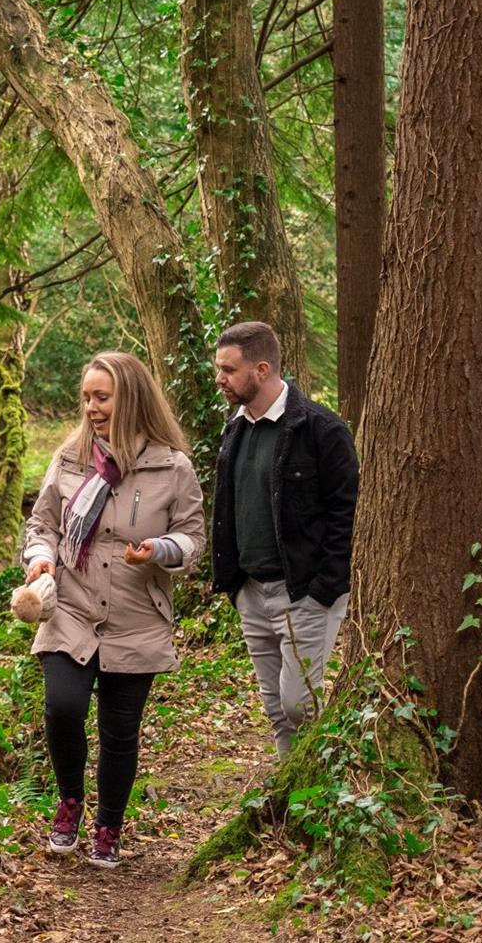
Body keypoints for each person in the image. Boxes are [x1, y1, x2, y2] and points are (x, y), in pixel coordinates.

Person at [18, 351, 206, 867]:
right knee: (63, 709)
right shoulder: (69, 458)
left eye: (103, 397)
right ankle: (69, 801)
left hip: (136, 617)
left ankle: (109, 826)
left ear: (131, 398)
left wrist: (160, 549)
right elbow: (43, 526)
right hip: (71, 608)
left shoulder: (172, 466)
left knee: (120, 733)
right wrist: (40, 560)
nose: (92, 408)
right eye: (87, 398)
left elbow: (193, 539)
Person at [209, 321, 359, 758]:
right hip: (251, 591)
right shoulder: (235, 427)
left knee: (299, 704)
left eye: (228, 370)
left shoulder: (320, 430)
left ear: (261, 369)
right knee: (276, 708)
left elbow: (347, 514)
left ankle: (324, 794)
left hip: (303, 593)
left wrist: (323, 590)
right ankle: (289, 798)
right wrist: (236, 586)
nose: (220, 379)